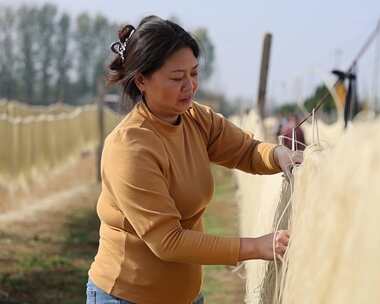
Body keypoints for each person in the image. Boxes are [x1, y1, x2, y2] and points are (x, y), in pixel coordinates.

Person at [86, 15, 302, 304]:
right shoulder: (130, 147)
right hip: (126, 297)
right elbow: (168, 241)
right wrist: (255, 247)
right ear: (141, 80)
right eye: (177, 78)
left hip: (186, 296)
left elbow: (246, 150)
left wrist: (280, 155)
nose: (190, 86)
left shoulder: (196, 118)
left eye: (194, 74)